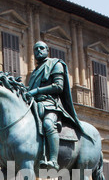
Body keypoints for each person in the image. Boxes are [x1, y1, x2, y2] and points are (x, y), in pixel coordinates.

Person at [27, 41, 83, 171]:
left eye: (41, 48)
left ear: (47, 50)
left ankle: (53, 160)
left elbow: (58, 86)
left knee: (47, 124)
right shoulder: (34, 72)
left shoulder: (56, 64)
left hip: (50, 104)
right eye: (36, 49)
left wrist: (37, 91)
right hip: (35, 104)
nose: (38, 51)